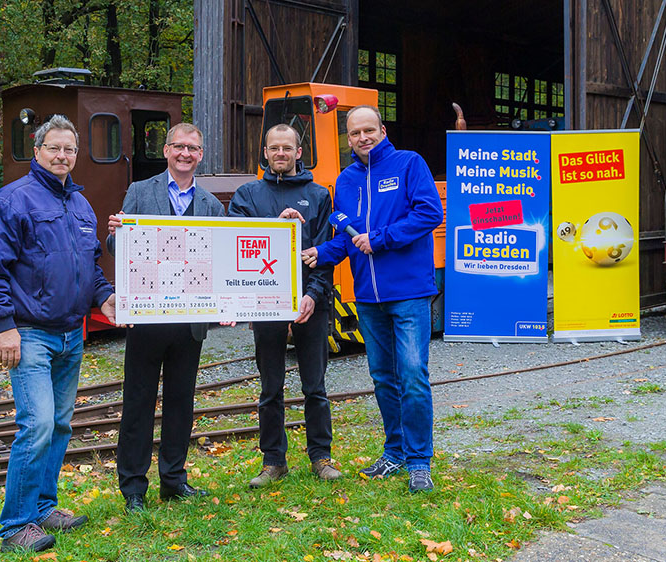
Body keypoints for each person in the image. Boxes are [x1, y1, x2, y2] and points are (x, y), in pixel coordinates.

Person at [0, 115, 117, 552]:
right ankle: (15, 526)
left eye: (69, 149)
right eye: (53, 148)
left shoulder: (79, 205)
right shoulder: (11, 201)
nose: (62, 156)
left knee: (57, 425)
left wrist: (105, 297)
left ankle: (43, 507)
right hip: (30, 334)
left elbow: (88, 267)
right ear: (36, 151)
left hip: (72, 333)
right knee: (35, 425)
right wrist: (4, 327)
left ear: (76, 154)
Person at [301, 106, 443, 492]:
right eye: (354, 133)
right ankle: (395, 453)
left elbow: (430, 213)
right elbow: (346, 236)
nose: (362, 138)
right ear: (347, 138)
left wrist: (380, 238)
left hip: (410, 293)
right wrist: (322, 254)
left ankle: (419, 462)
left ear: (382, 129)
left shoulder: (409, 164)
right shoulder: (345, 181)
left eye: (368, 130)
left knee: (412, 376)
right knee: (383, 378)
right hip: (368, 297)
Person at [106, 123, 224, 512]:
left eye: (193, 148)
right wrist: (116, 233)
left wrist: (226, 305)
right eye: (179, 147)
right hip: (147, 318)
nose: (185, 153)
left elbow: (220, 262)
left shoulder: (211, 205)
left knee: (180, 402)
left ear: (201, 155)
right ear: (166, 150)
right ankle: (134, 488)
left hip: (190, 323)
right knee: (138, 402)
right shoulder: (141, 192)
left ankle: (173, 480)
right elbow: (118, 246)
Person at [228, 124, 340, 487]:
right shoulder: (247, 195)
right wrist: (272, 227)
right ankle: (273, 460)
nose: (280, 153)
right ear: (265, 153)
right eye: (274, 148)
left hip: (311, 302)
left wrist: (313, 295)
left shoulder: (318, 195)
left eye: (287, 148)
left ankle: (320, 457)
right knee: (270, 387)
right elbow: (234, 242)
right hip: (265, 305)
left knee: (315, 386)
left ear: (298, 153)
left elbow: (326, 254)